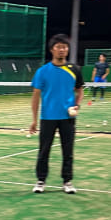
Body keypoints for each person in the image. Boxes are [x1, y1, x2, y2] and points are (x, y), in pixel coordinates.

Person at [29, 34, 84, 194]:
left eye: (65, 47)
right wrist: (34, 120)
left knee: (68, 151)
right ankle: (41, 180)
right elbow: (35, 96)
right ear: (52, 49)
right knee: (44, 151)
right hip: (47, 118)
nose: (62, 50)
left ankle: (67, 181)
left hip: (67, 118)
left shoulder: (74, 70)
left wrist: (77, 105)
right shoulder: (42, 71)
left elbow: (80, 91)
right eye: (59, 47)